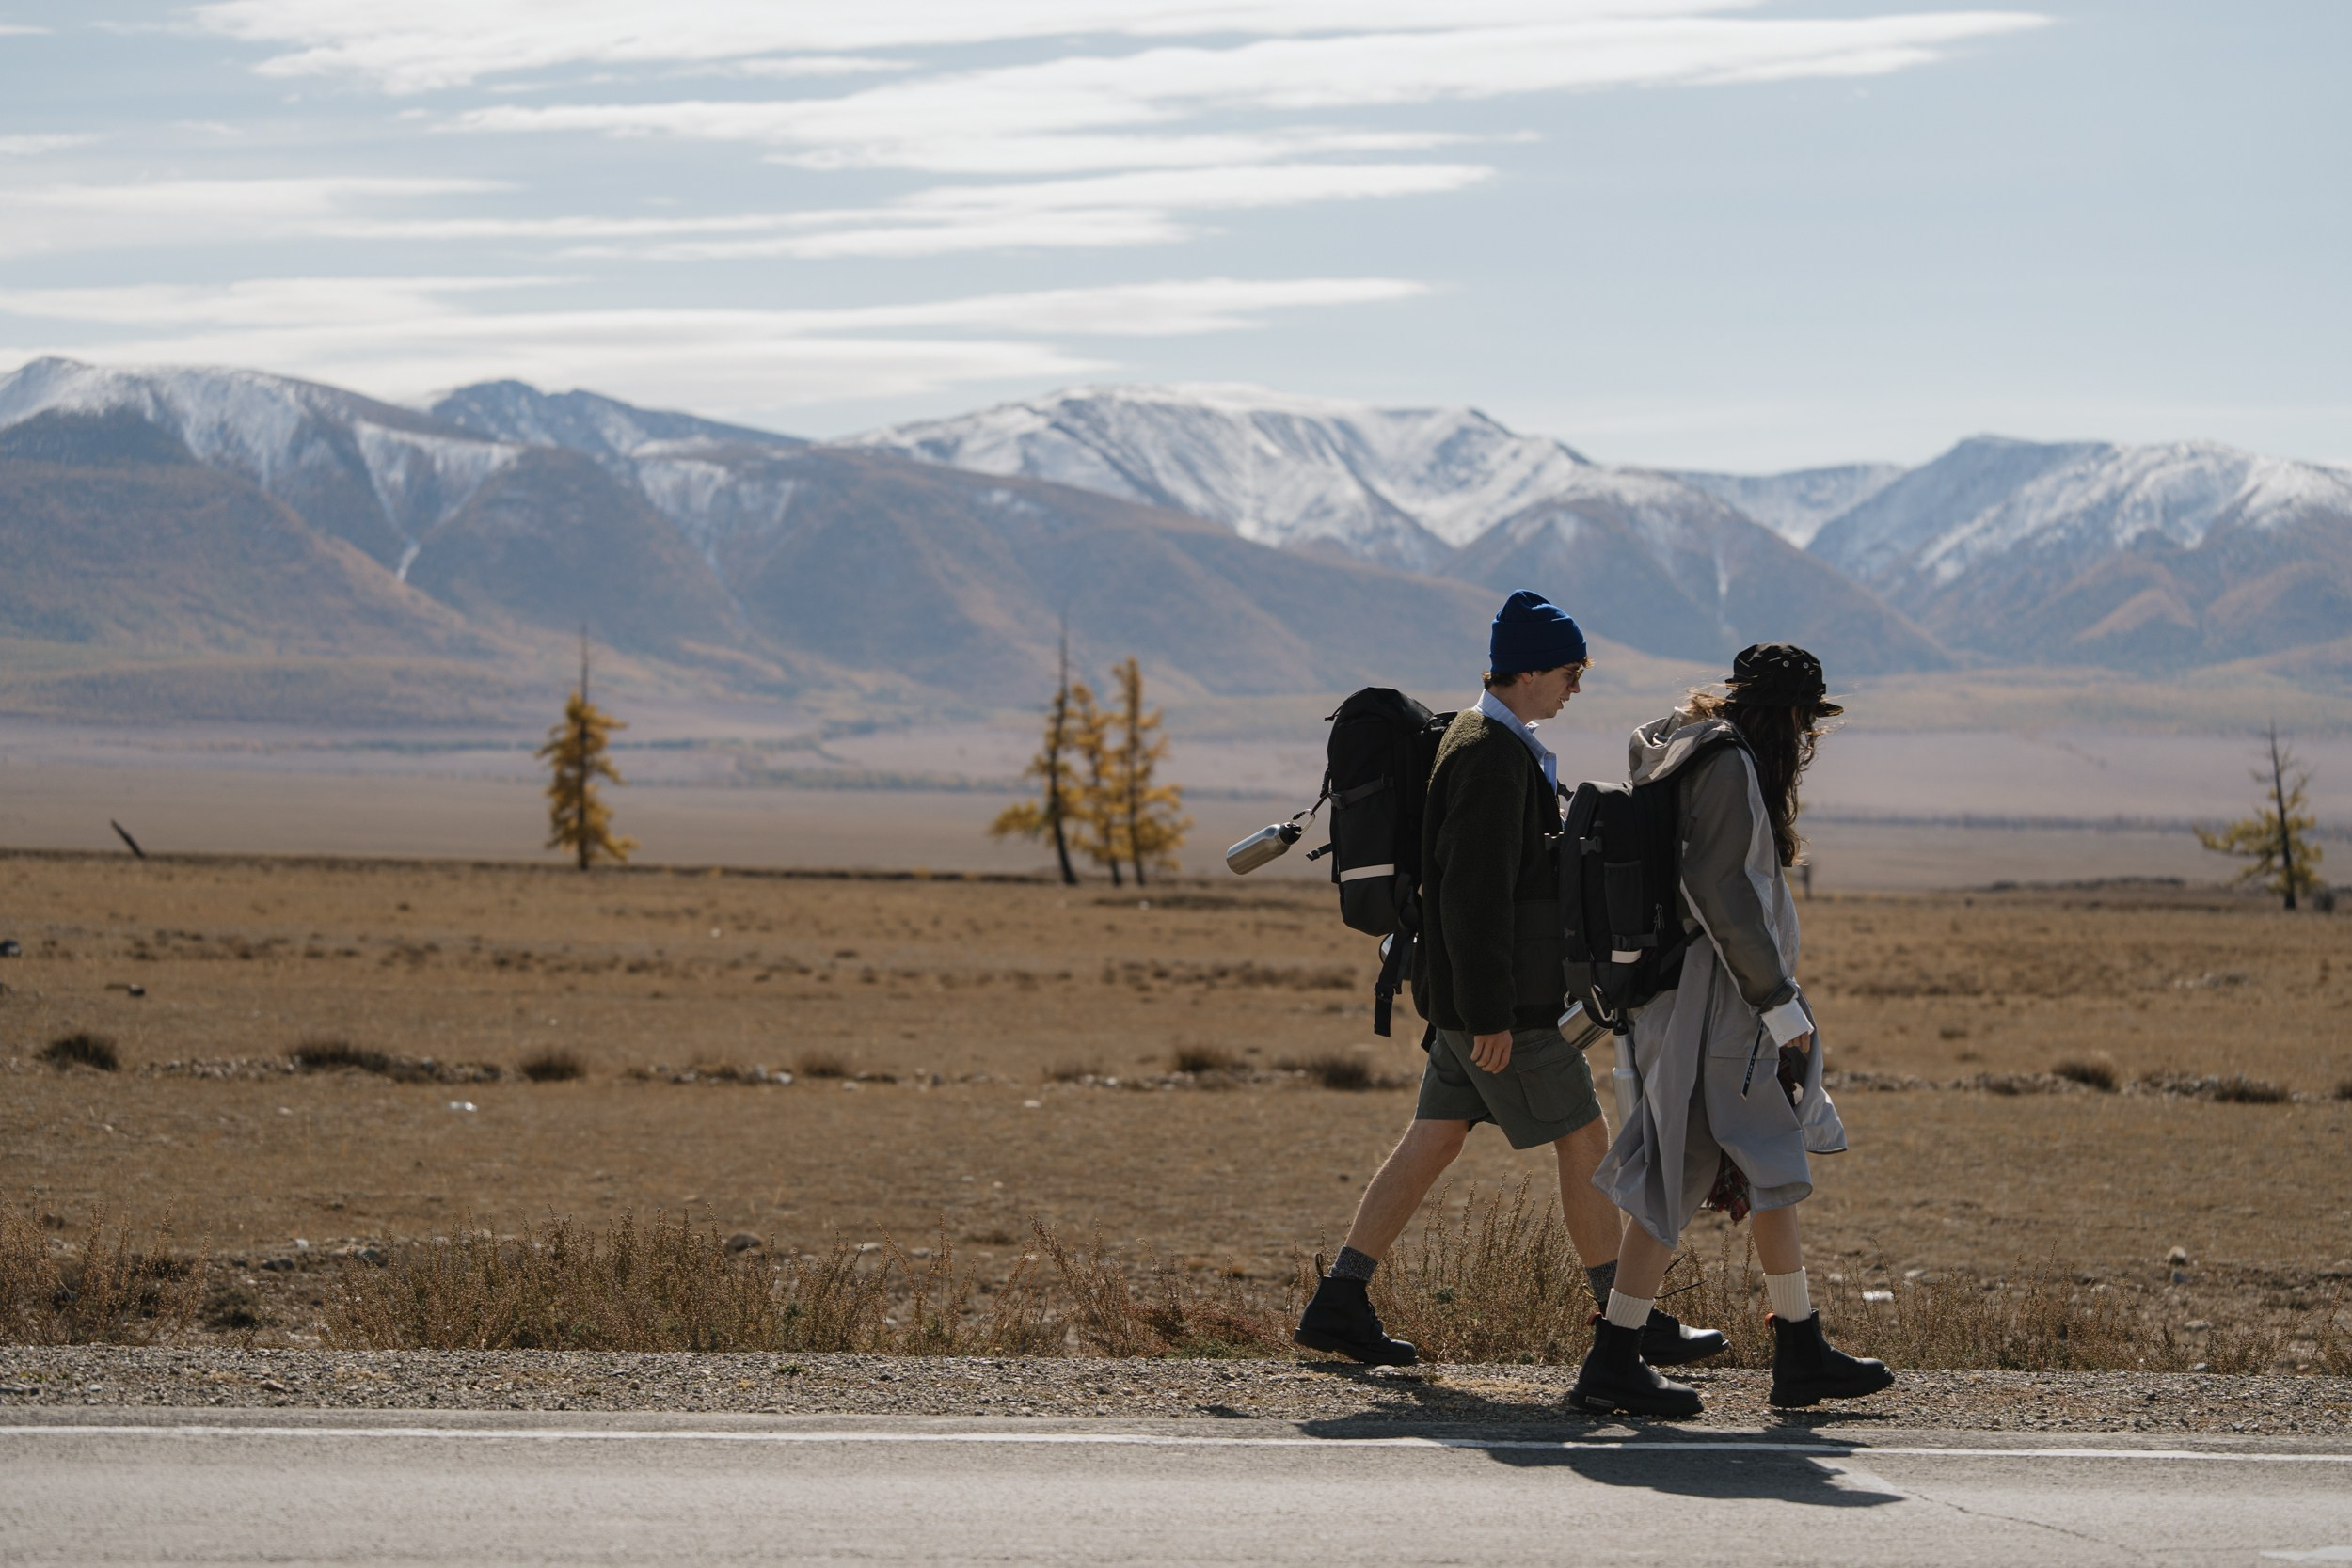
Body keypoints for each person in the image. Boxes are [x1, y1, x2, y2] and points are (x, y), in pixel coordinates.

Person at [1294, 591, 1725, 1370]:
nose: (1575, 686)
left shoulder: (1486, 738)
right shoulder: (1491, 754)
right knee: (1585, 1139)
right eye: (1569, 671)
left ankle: (1339, 1301)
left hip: (1466, 996)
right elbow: (1472, 894)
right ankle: (1627, 1320)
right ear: (1527, 669)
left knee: (1434, 1138)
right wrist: (1491, 1011)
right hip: (1505, 1007)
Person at [1573, 642, 1894, 1417]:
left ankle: (1765, 1346)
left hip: (1683, 1002)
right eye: (1806, 726)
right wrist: (1781, 1008)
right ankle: (1787, 1349)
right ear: (1789, 717)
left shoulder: (1684, 746)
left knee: (1688, 1168)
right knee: (1757, 1152)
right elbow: (1723, 897)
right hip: (1720, 1004)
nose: (1808, 742)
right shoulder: (1728, 765)